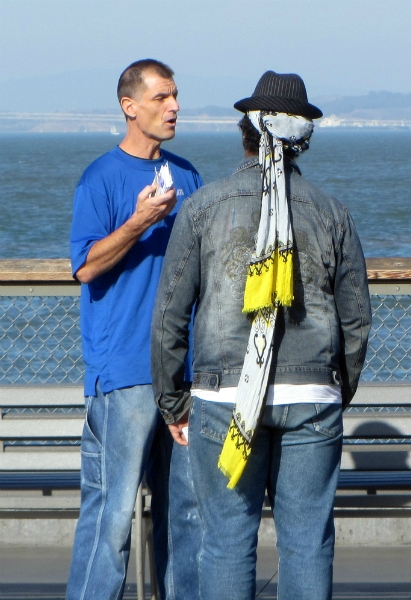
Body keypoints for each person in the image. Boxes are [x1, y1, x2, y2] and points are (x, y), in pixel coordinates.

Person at [151, 70, 372, 600]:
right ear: (302, 138)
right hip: (311, 396)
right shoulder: (332, 213)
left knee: (226, 541)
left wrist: (173, 401)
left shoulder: (204, 207)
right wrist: (337, 388)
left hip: (222, 395)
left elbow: (169, 317)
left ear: (243, 132)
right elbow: (356, 320)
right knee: (307, 542)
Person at [67, 59, 203, 600]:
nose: (174, 107)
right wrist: (139, 222)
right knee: (112, 514)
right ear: (130, 106)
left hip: (187, 373)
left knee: (187, 515)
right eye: (162, 97)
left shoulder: (188, 175)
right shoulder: (100, 178)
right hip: (124, 372)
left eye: (176, 97)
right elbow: (86, 266)